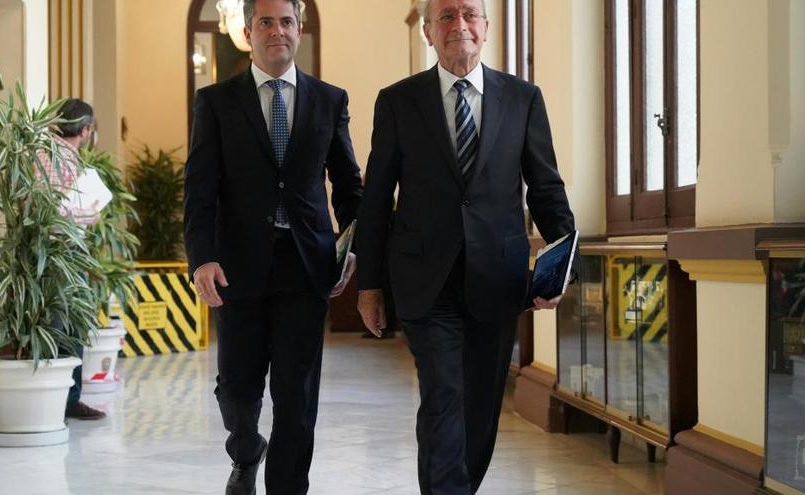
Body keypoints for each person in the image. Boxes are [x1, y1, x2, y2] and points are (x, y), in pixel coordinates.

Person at [355, 0, 577, 493]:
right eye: (447, 17)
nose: (460, 26)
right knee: (443, 397)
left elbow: (545, 188)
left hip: (496, 280)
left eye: (469, 14)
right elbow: (375, 200)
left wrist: (564, 264)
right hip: (423, 281)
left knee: (478, 407)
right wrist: (369, 284)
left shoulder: (523, 99)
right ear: (428, 33)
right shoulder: (397, 101)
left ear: (486, 26)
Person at [183, 0, 363, 493]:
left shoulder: (329, 100)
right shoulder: (217, 102)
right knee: (238, 391)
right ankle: (245, 450)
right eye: (265, 22)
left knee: (296, 395)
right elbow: (199, 189)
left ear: (299, 29)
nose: (277, 31)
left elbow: (350, 188)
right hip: (236, 268)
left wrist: (352, 248)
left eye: (286, 21)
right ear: (247, 31)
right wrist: (201, 257)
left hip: (307, 268)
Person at [41, 98, 107, 420]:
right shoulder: (60, 157)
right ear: (84, 130)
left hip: (46, 253)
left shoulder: (42, 152)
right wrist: (90, 213)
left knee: (59, 323)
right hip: (61, 251)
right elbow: (55, 212)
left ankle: (58, 398)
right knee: (68, 325)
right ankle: (68, 400)